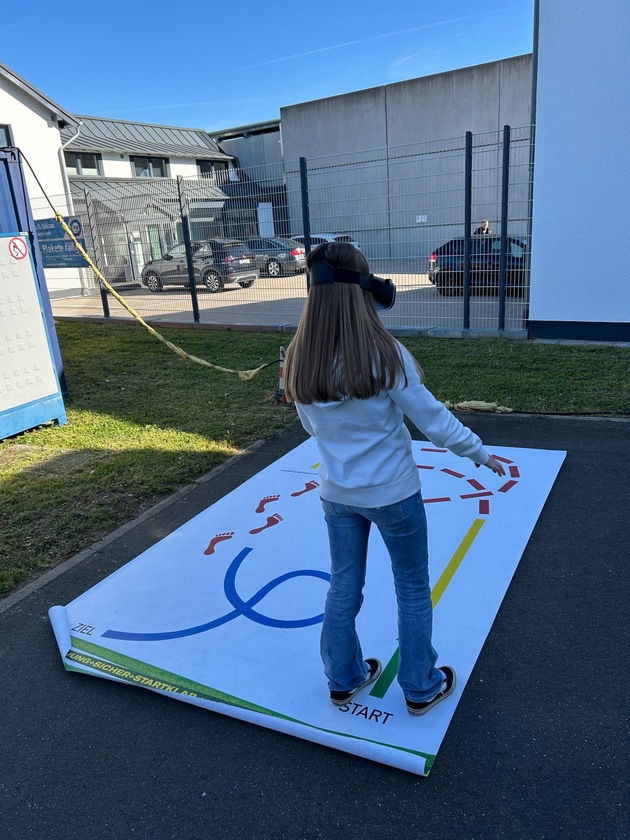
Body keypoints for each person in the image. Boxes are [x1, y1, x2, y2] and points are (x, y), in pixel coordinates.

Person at [284, 242, 506, 716]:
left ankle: (343, 678)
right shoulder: (385, 354)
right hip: (394, 497)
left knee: (343, 587)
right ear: (364, 291)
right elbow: (435, 421)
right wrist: (479, 453)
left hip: (337, 495)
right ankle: (420, 686)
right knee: (412, 587)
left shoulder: (299, 357)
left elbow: (311, 427)